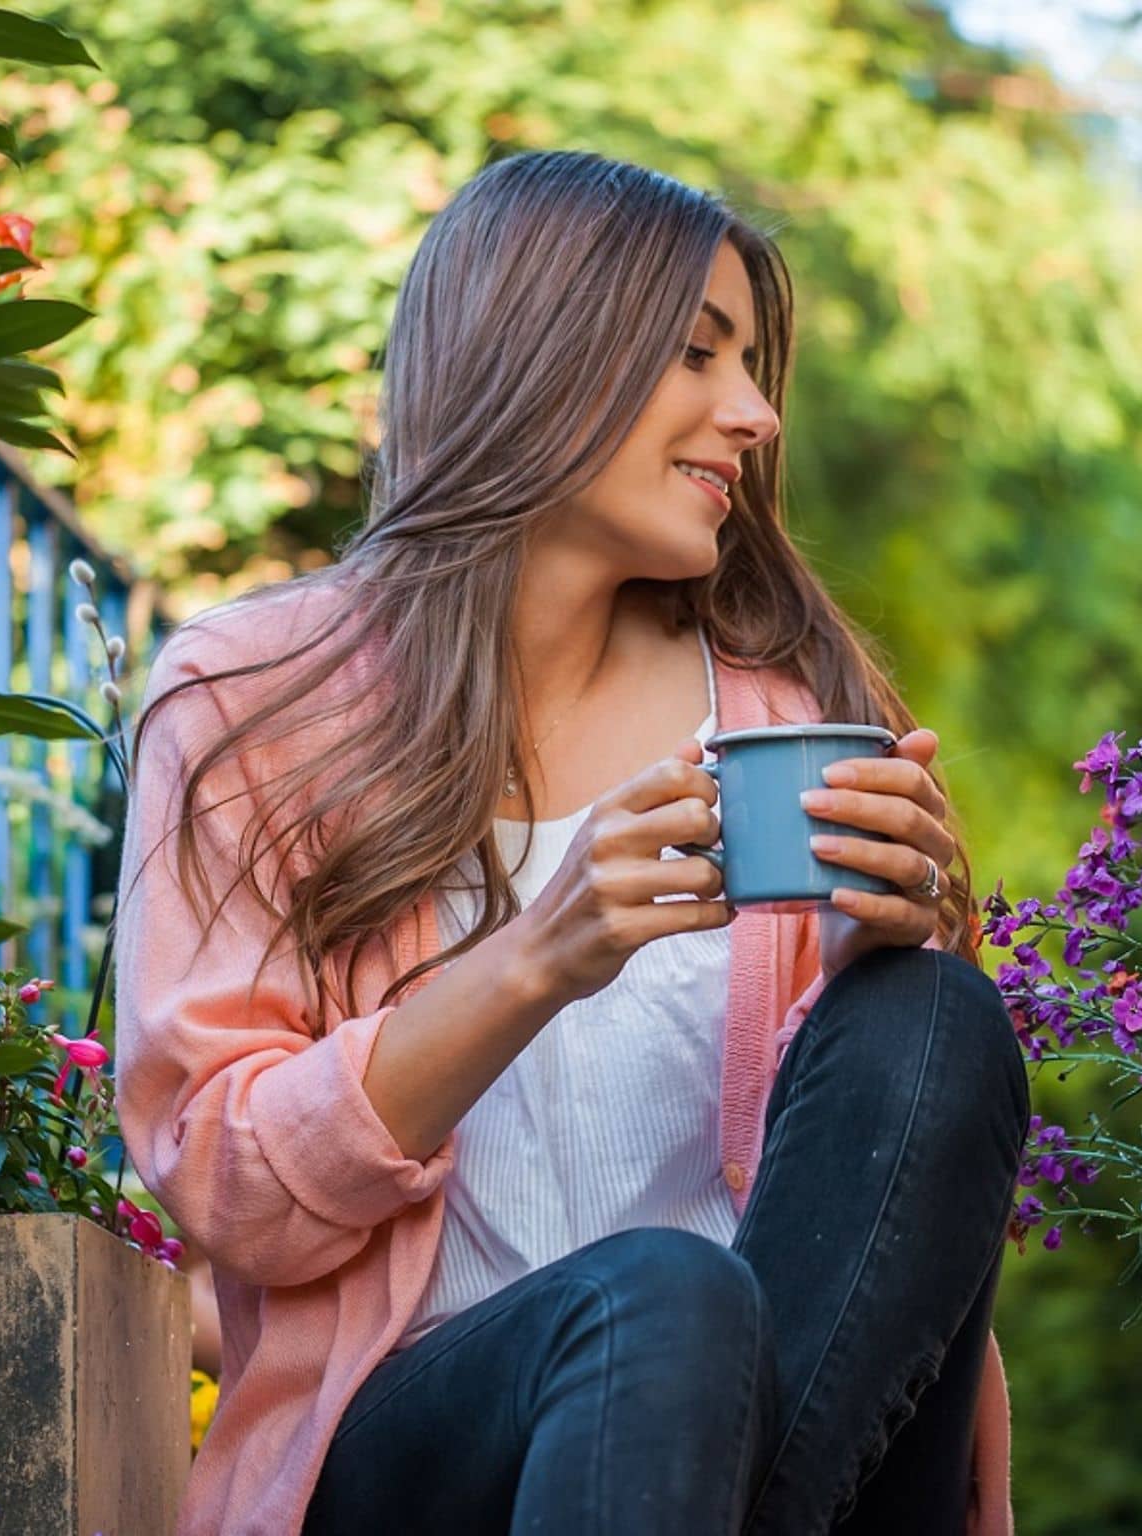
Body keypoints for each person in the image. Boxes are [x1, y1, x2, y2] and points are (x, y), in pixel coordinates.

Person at [116, 149, 1029, 1536]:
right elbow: (231, 1191)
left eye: (751, 366)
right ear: (543, 353)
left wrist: (873, 951)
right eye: (696, 357)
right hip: (420, 1461)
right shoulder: (255, 700)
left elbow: (885, 1276)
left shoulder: (785, 724)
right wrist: (537, 958)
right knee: (658, 1292)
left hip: (755, 1457)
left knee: (933, 1022)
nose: (756, 414)